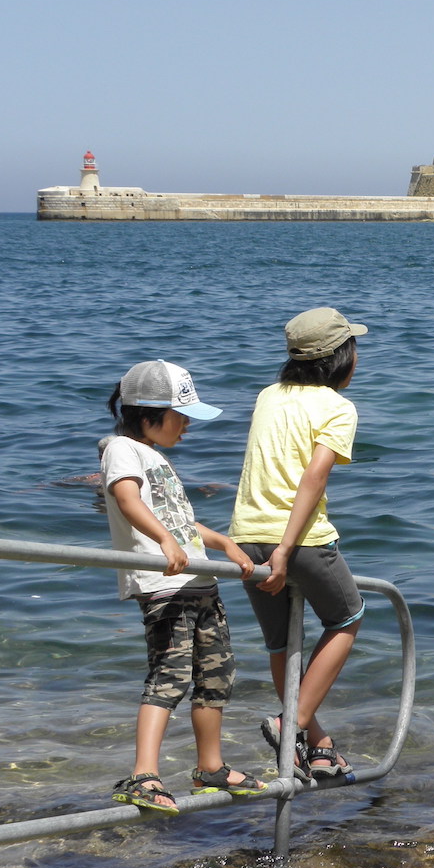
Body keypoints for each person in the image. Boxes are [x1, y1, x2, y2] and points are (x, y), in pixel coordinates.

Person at [102, 360, 265, 814]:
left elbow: (183, 522)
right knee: (169, 678)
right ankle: (143, 775)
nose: (188, 426)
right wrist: (162, 539)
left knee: (217, 676)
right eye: (181, 415)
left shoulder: (158, 459)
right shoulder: (121, 449)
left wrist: (224, 542)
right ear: (147, 412)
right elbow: (127, 499)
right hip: (164, 584)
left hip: (201, 582)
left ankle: (209, 767)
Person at [230, 307, 368, 780]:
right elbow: (314, 476)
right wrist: (287, 549)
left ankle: (316, 743)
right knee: (347, 618)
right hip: (300, 540)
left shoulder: (268, 394)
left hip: (245, 536)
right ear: (339, 358)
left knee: (283, 644)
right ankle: (293, 722)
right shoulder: (338, 407)